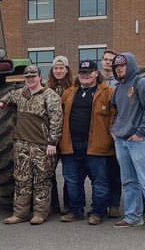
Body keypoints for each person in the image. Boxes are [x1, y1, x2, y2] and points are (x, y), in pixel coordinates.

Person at [0, 64, 62, 225]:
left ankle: (40, 213)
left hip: (41, 145)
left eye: (33, 76)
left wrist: (52, 142)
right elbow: (9, 96)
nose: (30, 80)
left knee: (41, 181)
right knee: (21, 180)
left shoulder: (50, 96)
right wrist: (1, 102)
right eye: (27, 77)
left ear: (40, 77)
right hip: (22, 145)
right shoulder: (21, 94)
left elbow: (56, 120)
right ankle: (20, 213)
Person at [110, 53, 145, 235]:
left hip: (140, 141)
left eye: (122, 65)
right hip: (122, 141)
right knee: (128, 182)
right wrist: (114, 130)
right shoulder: (118, 88)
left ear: (131, 65)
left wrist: (141, 132)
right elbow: (117, 112)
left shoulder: (143, 83)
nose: (119, 69)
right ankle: (133, 217)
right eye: (116, 66)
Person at [58, 60, 115, 225]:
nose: (85, 76)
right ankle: (76, 211)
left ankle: (97, 212)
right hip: (71, 146)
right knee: (72, 181)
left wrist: (110, 137)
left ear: (96, 74)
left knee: (100, 182)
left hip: (97, 146)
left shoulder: (108, 93)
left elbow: (115, 116)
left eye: (89, 72)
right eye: (82, 73)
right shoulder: (68, 93)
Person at [46, 55, 73, 215]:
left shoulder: (73, 88)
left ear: (67, 69)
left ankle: (69, 205)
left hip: (68, 136)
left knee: (69, 173)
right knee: (49, 173)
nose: (58, 70)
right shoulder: (46, 88)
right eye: (56, 68)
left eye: (61, 68)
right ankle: (53, 204)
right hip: (50, 137)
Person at [100, 49, 122, 218]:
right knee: (101, 173)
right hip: (99, 132)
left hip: (116, 132)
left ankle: (114, 204)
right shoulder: (95, 81)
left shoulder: (121, 83)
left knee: (115, 172)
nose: (107, 62)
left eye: (111, 60)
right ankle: (101, 204)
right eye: (105, 59)